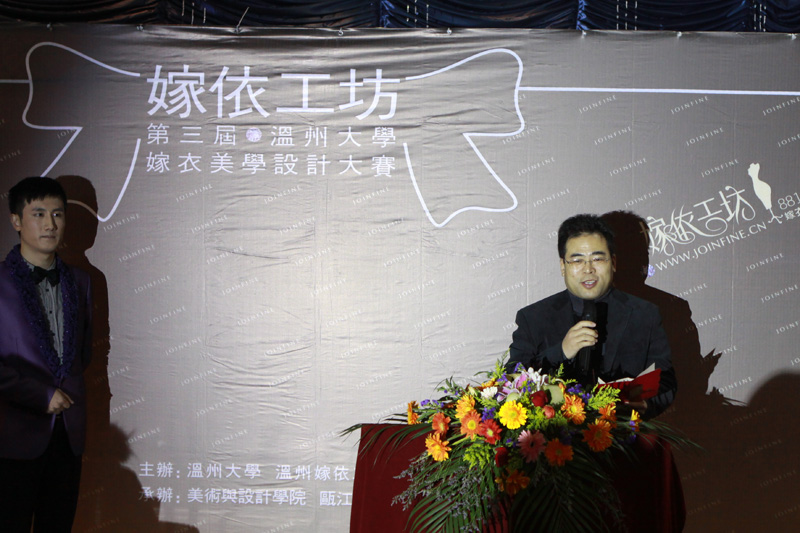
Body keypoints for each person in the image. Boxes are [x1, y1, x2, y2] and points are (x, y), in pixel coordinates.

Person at [506, 214, 676, 419]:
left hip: (625, 432)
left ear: (613, 262)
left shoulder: (645, 314)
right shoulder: (533, 317)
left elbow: (666, 380)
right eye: (577, 260)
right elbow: (512, 378)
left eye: (597, 259)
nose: (588, 269)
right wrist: (561, 352)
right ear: (563, 266)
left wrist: (646, 405)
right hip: (557, 435)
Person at [0, 177, 93, 532]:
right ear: (16, 220)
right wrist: (41, 394)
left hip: (68, 435)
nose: (50, 224)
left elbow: (82, 355)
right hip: (12, 436)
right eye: (38, 214)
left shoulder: (82, 281)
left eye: (58, 214)